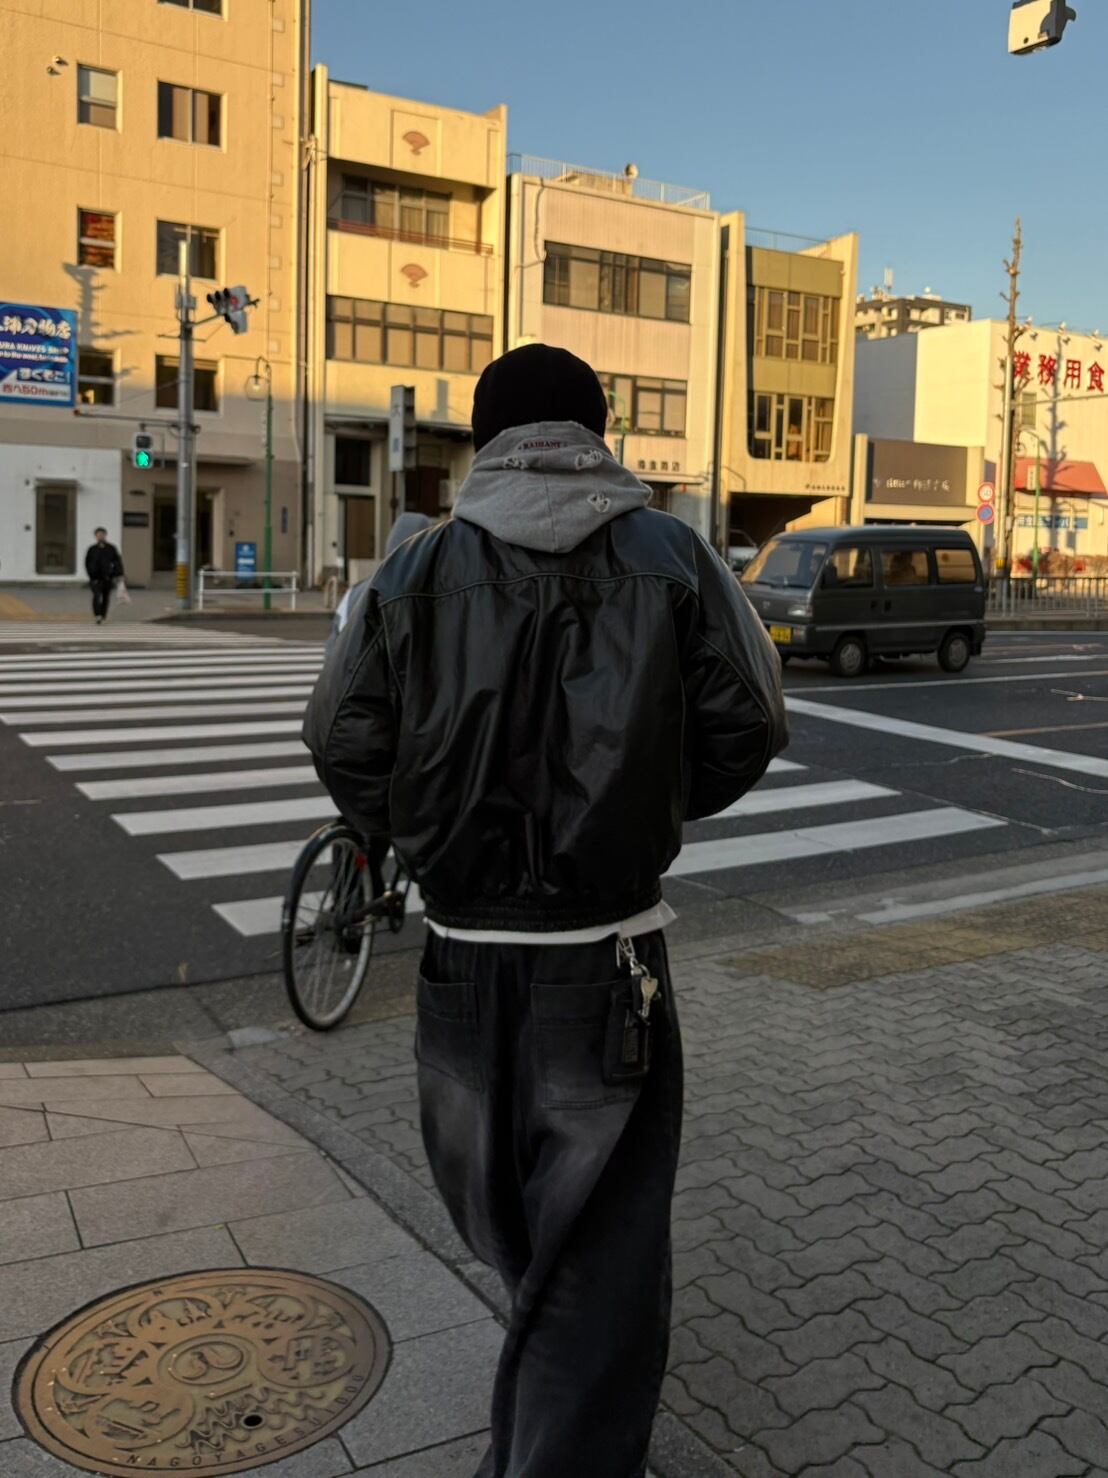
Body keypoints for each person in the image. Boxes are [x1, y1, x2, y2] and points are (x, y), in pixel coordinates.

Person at [303, 344, 787, 1478]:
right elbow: (751, 718)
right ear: (597, 433)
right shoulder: (672, 555)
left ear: (484, 442)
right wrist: (642, 800)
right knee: (600, 1259)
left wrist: (427, 830)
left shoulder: (414, 569)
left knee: (513, 1228)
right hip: (608, 956)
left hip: (462, 957)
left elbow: (339, 734)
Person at [84, 527, 124, 624]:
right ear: (96, 536)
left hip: (108, 577)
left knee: (106, 597)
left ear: (105, 535)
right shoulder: (92, 549)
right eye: (98, 535)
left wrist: (119, 574)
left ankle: (103, 615)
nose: (100, 536)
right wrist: (91, 574)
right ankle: (97, 615)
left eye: (102, 534)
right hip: (95, 578)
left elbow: (117, 561)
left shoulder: (111, 548)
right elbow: (87, 563)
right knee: (96, 596)